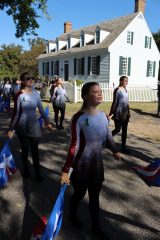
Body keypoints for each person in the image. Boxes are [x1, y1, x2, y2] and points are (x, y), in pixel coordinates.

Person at [61, 82, 121, 240]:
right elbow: (75, 145)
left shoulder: (103, 116)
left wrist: (115, 150)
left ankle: (96, 227)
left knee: (95, 198)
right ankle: (72, 215)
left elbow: (108, 136)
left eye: (101, 91)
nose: (100, 94)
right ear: (86, 96)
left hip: (97, 166)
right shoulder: (78, 118)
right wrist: (65, 170)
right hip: (80, 166)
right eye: (95, 92)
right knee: (79, 195)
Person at [8, 72, 52, 181]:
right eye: (28, 78)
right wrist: (11, 128)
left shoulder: (36, 94)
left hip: (34, 127)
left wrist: (48, 122)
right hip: (21, 127)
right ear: (22, 81)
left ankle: (38, 174)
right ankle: (26, 171)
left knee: (35, 151)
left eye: (32, 78)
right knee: (25, 150)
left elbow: (41, 109)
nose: (31, 80)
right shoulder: (19, 94)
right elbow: (16, 113)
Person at [108, 75, 130, 153]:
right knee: (117, 129)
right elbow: (115, 102)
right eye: (125, 81)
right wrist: (111, 113)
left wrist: (129, 112)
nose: (126, 83)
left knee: (125, 131)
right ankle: (108, 139)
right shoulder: (117, 90)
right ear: (121, 81)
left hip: (125, 113)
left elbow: (127, 102)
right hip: (118, 113)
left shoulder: (126, 90)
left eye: (127, 81)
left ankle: (123, 148)